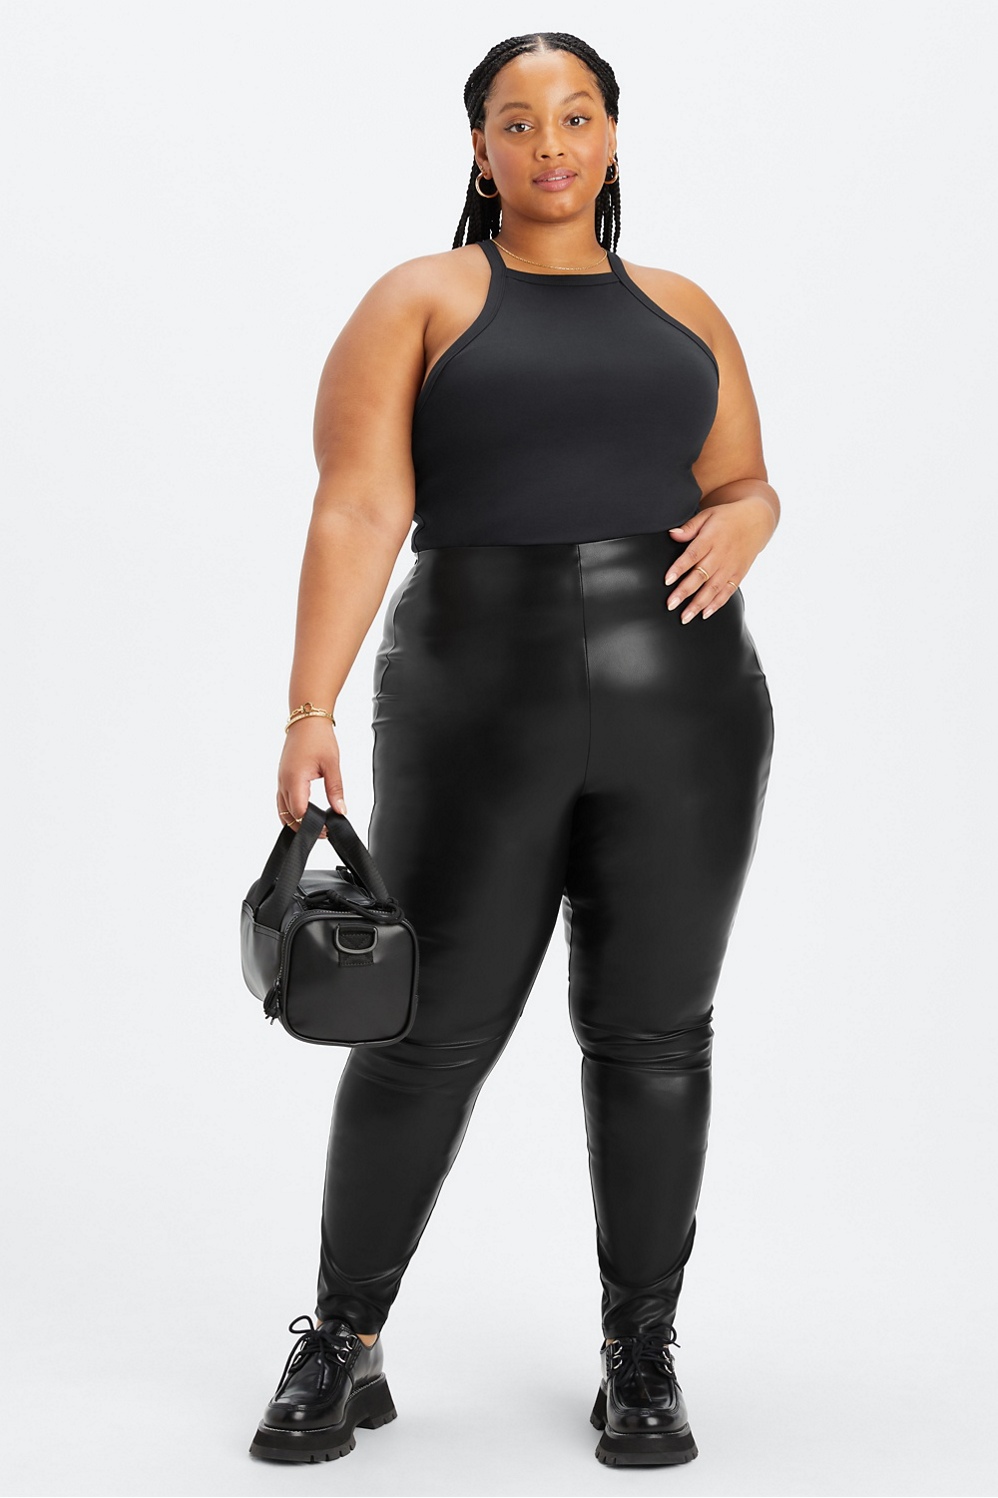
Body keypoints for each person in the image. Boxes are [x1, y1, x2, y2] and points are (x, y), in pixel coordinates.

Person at [248, 30, 778, 1470]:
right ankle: (342, 1339)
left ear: (611, 136)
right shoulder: (422, 298)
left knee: (656, 1033)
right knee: (425, 1029)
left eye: (577, 115)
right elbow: (360, 505)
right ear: (479, 149)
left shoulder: (682, 307)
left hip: (687, 702)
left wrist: (753, 515)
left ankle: (640, 1351)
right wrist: (308, 707)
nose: (551, 142)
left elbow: (739, 479)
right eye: (519, 120)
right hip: (475, 696)